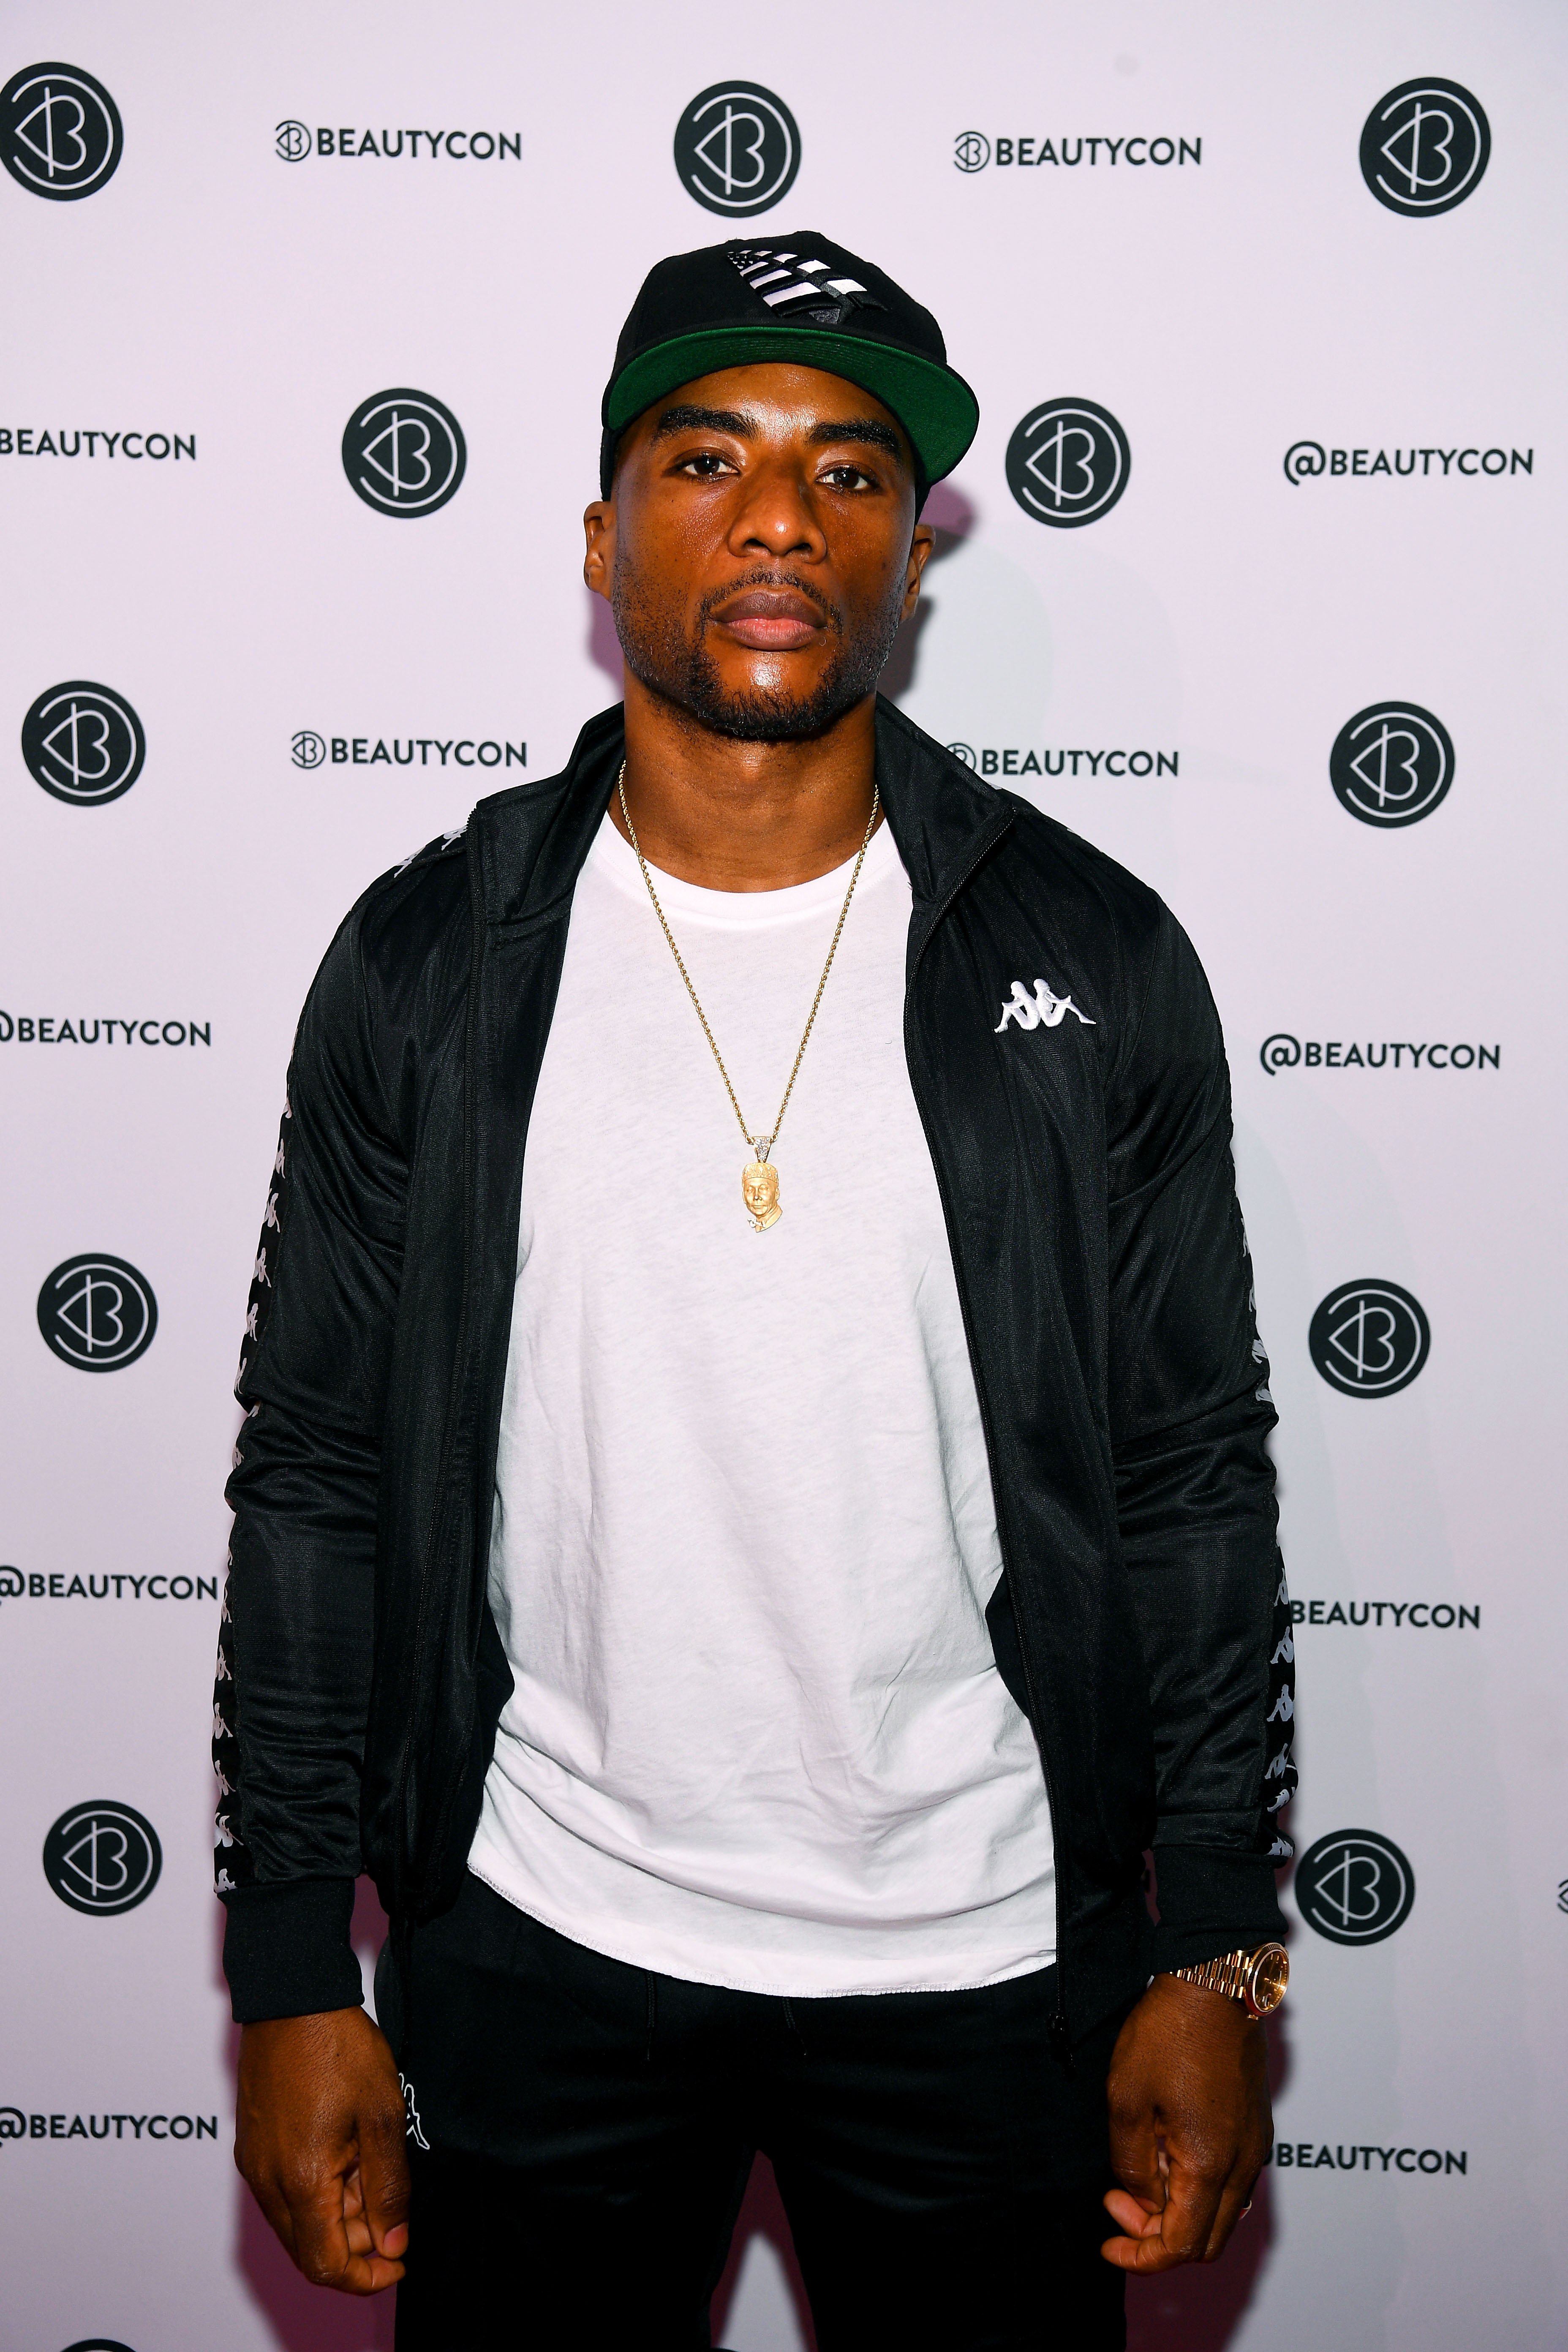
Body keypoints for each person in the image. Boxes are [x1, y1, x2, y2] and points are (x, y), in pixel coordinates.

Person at [214, 233, 1296, 2350]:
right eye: (710, 459)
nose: (783, 517)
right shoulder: (434, 963)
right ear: (604, 531)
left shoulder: (1090, 957)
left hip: (988, 1956)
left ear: (911, 548)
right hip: (540, 1941)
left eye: (850, 472)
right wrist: (279, 1970)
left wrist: (1215, 1950)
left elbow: (1188, 1476)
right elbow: (316, 1473)